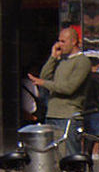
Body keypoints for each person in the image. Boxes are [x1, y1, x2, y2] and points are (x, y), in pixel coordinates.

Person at [28, 26, 91, 157]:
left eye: (63, 41)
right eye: (59, 41)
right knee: (54, 158)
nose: (59, 45)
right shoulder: (61, 60)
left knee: (70, 156)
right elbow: (44, 76)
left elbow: (69, 88)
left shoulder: (82, 61)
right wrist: (52, 57)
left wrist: (44, 83)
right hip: (52, 114)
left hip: (68, 116)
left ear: (74, 42)